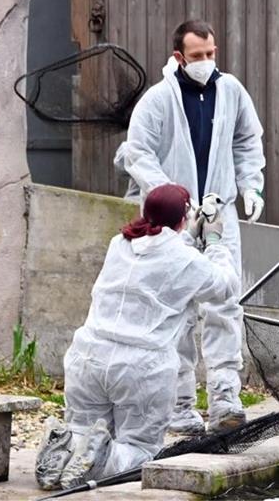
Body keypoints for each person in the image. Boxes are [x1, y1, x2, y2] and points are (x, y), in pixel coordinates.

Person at [114, 19, 266, 435]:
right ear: (179, 57)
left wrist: (250, 184)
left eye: (211, 54)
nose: (205, 62)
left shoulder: (231, 91)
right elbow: (138, 152)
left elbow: (247, 140)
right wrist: (166, 193)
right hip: (175, 218)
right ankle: (180, 404)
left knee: (224, 300)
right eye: (197, 56)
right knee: (175, 307)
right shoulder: (158, 100)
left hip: (219, 209)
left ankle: (225, 399)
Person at [34, 184, 239, 490]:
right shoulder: (187, 261)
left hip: (87, 357)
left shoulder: (119, 242)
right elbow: (225, 285)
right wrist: (213, 240)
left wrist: (184, 233)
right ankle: (104, 457)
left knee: (81, 429)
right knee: (141, 449)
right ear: (184, 217)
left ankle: (64, 445)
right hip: (141, 369)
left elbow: (159, 249)